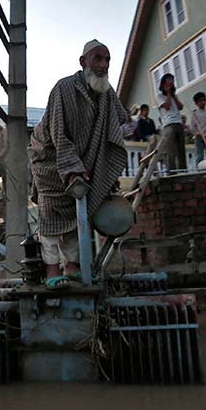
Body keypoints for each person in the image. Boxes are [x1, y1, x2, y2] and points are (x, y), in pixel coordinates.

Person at [27, 39, 127, 289]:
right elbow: (59, 132)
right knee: (50, 219)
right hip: (49, 160)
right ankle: (52, 270)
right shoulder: (64, 88)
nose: (103, 65)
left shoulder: (106, 92)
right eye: (98, 58)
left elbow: (117, 121)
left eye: (107, 60)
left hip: (82, 163)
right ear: (83, 62)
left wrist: (105, 168)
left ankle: (71, 267)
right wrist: (71, 169)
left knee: (74, 216)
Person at [156, 74, 186, 172]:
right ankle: (171, 171)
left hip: (178, 123)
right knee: (170, 149)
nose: (171, 82)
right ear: (163, 83)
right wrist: (168, 93)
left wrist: (173, 95)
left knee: (181, 148)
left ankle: (183, 170)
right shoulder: (159, 96)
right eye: (169, 80)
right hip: (169, 124)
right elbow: (167, 106)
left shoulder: (174, 96)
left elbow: (181, 107)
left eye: (172, 80)